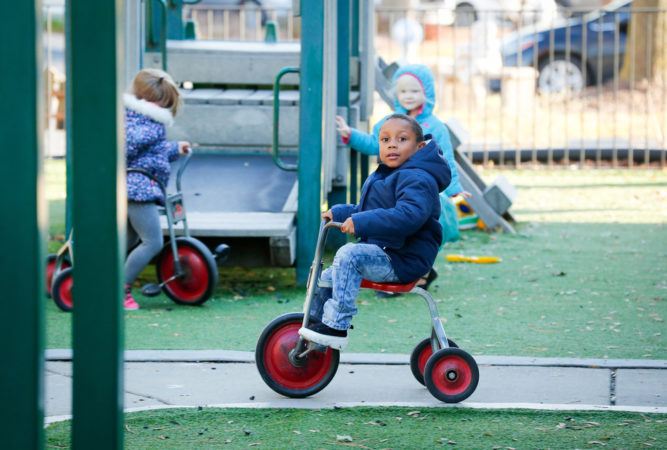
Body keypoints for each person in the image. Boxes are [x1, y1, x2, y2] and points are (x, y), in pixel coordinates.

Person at [299, 114, 451, 350]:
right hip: (386, 250)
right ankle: (315, 325)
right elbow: (370, 211)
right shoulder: (387, 174)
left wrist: (360, 221)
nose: (392, 144)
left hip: (403, 258)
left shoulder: (419, 179)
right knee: (328, 276)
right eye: (385, 139)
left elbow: (406, 216)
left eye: (402, 139)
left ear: (419, 147)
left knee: (350, 256)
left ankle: (336, 325)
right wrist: (340, 213)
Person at [335, 64, 468, 290]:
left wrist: (453, 187)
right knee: (392, 219)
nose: (408, 96)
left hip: (424, 188)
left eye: (414, 91)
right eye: (403, 92)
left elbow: (444, 157)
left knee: (421, 223)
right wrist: (351, 136)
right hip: (395, 188)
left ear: (426, 93)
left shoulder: (435, 126)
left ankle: (419, 270)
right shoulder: (390, 122)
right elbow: (373, 143)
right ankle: (393, 265)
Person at [123, 68, 191, 310]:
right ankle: (121, 288)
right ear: (148, 101)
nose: (163, 110)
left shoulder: (145, 122)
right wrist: (155, 133)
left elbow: (153, 152)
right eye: (162, 104)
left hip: (144, 187)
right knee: (151, 241)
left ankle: (105, 279)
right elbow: (127, 147)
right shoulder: (138, 121)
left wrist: (174, 148)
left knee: (129, 239)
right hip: (138, 190)